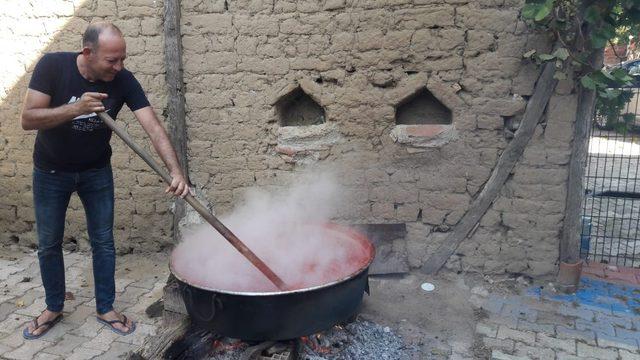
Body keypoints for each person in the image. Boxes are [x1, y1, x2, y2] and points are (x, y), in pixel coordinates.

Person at [20, 21, 189, 339]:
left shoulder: (122, 80)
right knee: (49, 244)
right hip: (51, 171)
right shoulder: (53, 66)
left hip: (96, 171)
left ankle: (106, 307)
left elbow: (152, 126)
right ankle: (53, 307)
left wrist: (177, 172)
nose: (119, 66)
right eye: (112, 60)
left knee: (104, 242)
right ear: (88, 52)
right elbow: (29, 118)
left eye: (122, 58)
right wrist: (76, 108)